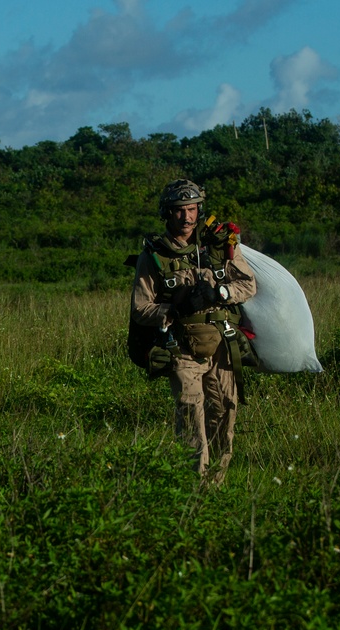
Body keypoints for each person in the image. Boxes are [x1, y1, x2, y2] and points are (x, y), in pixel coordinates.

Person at [130, 179, 257, 485]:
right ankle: (193, 485)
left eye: (191, 209)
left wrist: (221, 294)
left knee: (225, 408)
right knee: (190, 413)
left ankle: (216, 482)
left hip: (222, 341)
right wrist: (172, 310)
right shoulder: (154, 256)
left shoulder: (218, 245)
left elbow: (248, 284)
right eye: (178, 211)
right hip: (181, 345)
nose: (186, 217)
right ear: (167, 213)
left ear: (199, 210)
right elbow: (140, 307)